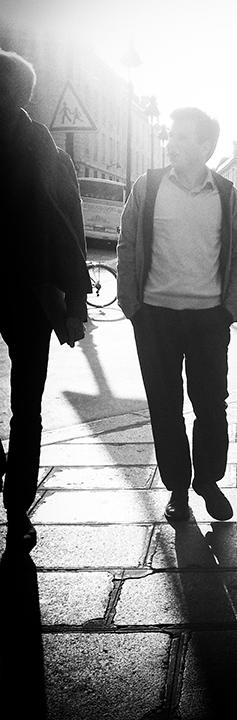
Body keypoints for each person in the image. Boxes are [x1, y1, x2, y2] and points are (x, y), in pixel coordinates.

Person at [117, 106, 237, 522]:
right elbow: (128, 245)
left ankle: (208, 480)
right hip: (155, 316)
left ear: (205, 146)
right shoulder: (149, 186)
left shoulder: (227, 194)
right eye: (170, 136)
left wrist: (229, 308)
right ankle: (177, 487)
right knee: (164, 405)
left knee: (212, 404)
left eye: (180, 137)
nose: (170, 143)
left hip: (208, 318)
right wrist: (132, 306)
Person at [0, 50, 91, 551]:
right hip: (28, 291)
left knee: (26, 407)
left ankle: (17, 507)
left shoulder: (44, 149)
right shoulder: (46, 148)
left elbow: (69, 228)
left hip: (31, 292)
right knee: (25, 409)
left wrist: (75, 299)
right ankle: (11, 494)